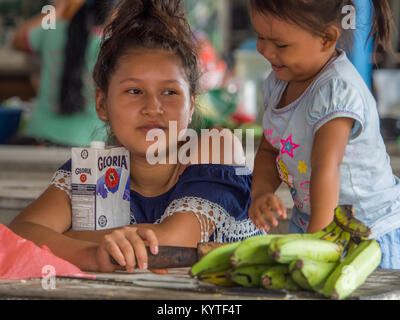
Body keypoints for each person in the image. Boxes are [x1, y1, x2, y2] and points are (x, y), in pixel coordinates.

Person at [9, 0, 262, 274]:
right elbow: (18, 237)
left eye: (170, 92)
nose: (153, 107)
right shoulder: (93, 171)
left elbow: (169, 244)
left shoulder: (217, 145)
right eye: (134, 91)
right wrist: (95, 254)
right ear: (102, 104)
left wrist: (66, 237)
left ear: (191, 105)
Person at [247, 0, 400, 269]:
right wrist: (260, 192)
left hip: (364, 234)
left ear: (326, 38)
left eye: (280, 45)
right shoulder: (277, 81)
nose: (265, 51)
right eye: (260, 37)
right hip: (313, 220)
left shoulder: (337, 90)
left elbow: (325, 167)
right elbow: (271, 149)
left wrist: (316, 244)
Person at [11, 0, 116, 147]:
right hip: (89, 144)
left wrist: (57, 9)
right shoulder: (111, 42)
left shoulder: (51, 31)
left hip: (38, 137)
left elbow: (18, 39)